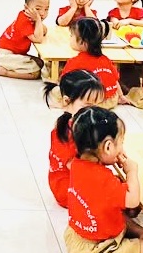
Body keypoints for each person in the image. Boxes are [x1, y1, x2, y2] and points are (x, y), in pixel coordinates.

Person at [62, 107, 143, 253]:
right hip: (96, 248)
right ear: (108, 147)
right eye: (121, 142)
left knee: (119, 211)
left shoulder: (76, 164)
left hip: (78, 235)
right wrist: (131, 172)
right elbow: (133, 200)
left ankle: (142, 233)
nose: (122, 148)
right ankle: (142, 237)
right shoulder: (103, 179)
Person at [44, 70, 105, 208]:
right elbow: (76, 167)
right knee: (109, 193)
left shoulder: (85, 124)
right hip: (67, 188)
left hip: (82, 177)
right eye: (88, 106)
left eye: (98, 106)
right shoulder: (63, 133)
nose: (94, 111)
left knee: (115, 185)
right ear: (67, 101)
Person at [59, 17, 122, 108]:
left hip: (92, 102)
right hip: (112, 99)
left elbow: (64, 82)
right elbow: (115, 80)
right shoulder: (105, 59)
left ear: (82, 42)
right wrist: (121, 96)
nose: (70, 38)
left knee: (56, 91)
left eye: (71, 35)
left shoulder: (75, 62)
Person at [0, 0, 49, 80]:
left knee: (41, 63)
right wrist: (38, 20)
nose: (42, 13)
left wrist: (37, 21)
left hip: (16, 53)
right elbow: (38, 39)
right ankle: (5, 71)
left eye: (46, 9)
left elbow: (44, 30)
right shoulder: (24, 21)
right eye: (38, 9)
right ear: (26, 7)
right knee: (36, 73)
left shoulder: (30, 18)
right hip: (7, 55)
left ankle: (10, 66)